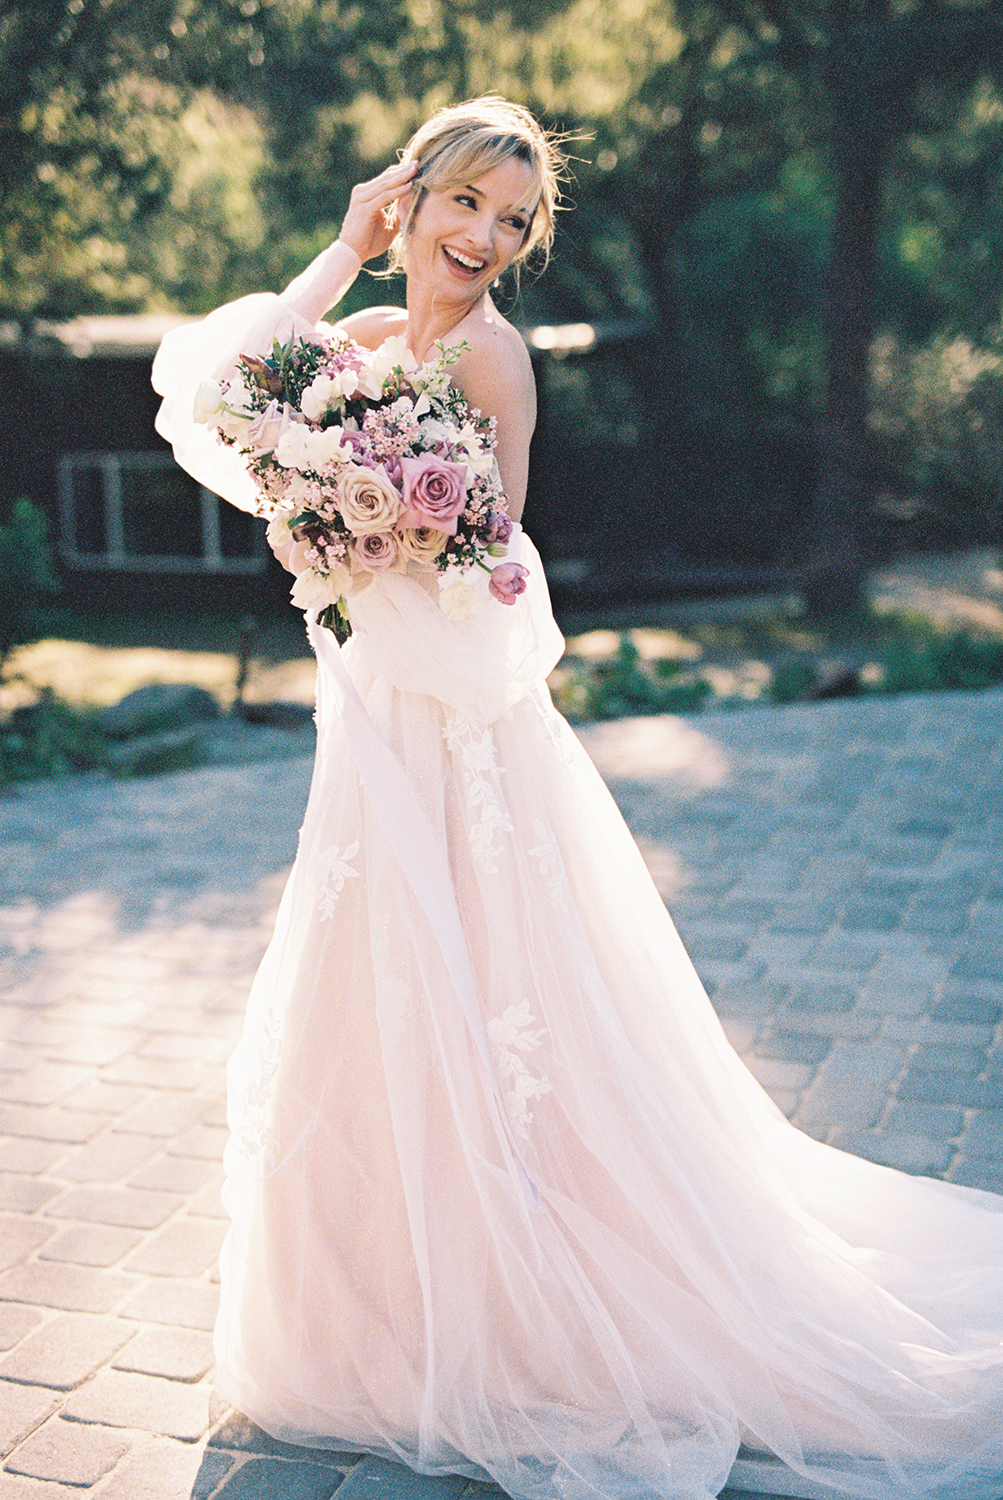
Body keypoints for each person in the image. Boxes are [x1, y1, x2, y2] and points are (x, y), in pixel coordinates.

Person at [153, 96, 1003, 1500]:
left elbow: (507, 565)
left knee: (499, 999)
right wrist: (339, 248)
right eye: (463, 203)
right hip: (368, 730)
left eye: (511, 218)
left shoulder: (495, 363)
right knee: (370, 993)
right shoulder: (357, 345)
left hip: (467, 737)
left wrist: (410, 532)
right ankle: (387, 1300)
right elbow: (223, 390)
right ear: (413, 203)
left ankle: (526, 1289)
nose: (484, 237)